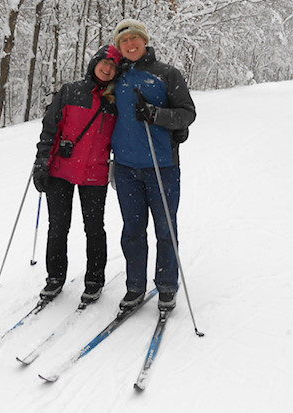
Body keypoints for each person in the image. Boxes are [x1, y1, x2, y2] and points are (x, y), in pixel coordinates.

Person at [108, 18, 196, 311]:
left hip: (162, 166)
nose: (130, 45)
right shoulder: (116, 76)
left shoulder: (168, 74)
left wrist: (157, 115)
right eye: (124, 41)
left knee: (165, 229)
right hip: (124, 168)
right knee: (132, 230)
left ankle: (167, 286)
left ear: (145, 41)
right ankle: (135, 287)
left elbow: (187, 113)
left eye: (135, 39)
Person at [33, 44, 122, 305]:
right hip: (61, 171)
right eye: (104, 63)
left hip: (95, 175)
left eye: (113, 67)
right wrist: (41, 162)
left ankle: (94, 279)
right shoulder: (70, 91)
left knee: (94, 228)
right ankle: (54, 277)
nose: (107, 69)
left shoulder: (116, 102)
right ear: (94, 63)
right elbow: (50, 128)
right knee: (58, 227)